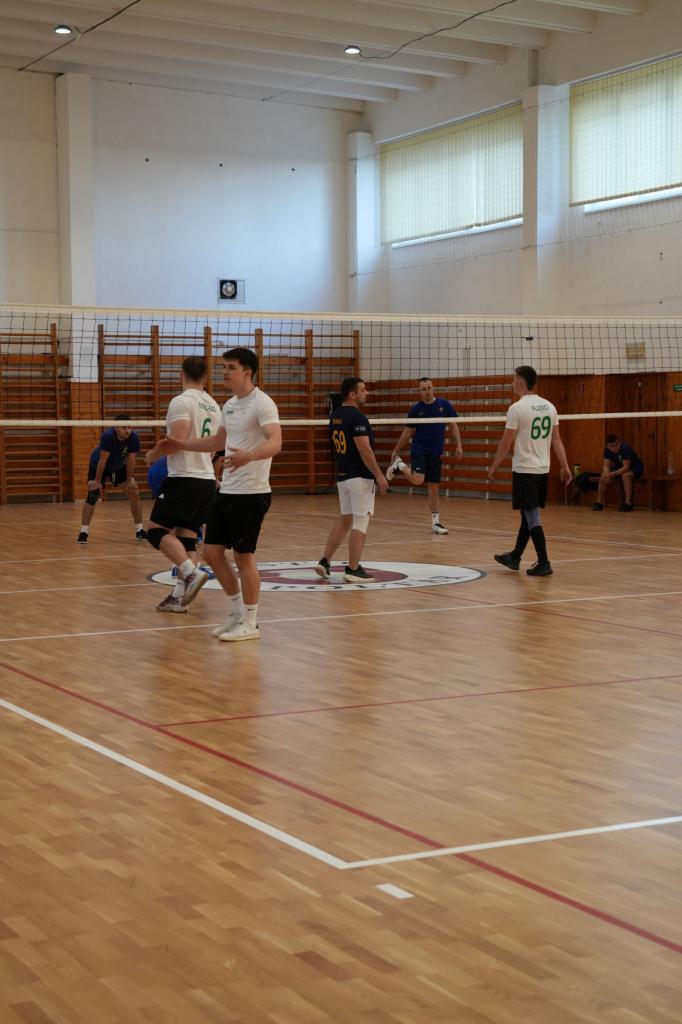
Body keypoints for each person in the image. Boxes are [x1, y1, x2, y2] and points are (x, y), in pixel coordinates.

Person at [156, 347, 281, 641]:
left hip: (252, 492)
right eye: (223, 367)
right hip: (227, 490)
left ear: (247, 372)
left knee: (243, 557)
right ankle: (236, 613)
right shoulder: (230, 405)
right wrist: (181, 444)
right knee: (211, 553)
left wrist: (249, 456)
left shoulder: (263, 403)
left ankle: (250, 621)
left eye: (230, 367)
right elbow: (217, 441)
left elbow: (276, 442)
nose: (224, 372)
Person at [144, 356, 223, 613]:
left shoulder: (182, 401)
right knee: (186, 536)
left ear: (181, 375)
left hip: (184, 478)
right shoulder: (214, 405)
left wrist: (152, 455)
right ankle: (178, 598)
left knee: (155, 530)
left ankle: (190, 572)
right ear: (205, 378)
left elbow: (175, 441)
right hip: (206, 479)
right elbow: (215, 447)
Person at [488, 365, 571, 577]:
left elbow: (506, 443)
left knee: (532, 514)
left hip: (525, 469)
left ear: (521, 383)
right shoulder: (550, 406)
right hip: (542, 469)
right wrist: (564, 465)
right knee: (528, 512)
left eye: (513, 379)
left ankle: (544, 561)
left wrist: (494, 466)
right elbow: (557, 440)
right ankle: (515, 556)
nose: (511, 383)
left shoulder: (517, 408)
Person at [315, 377, 388, 583]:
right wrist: (379, 475)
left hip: (343, 476)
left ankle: (325, 561)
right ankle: (353, 569)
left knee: (345, 519)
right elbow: (364, 450)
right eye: (363, 390)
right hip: (360, 478)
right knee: (360, 522)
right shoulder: (358, 417)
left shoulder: (335, 416)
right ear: (352, 394)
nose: (367, 393)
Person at [385, 377, 463, 534]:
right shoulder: (416, 410)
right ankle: (399, 464)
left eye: (429, 388)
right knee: (418, 480)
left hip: (435, 452)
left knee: (434, 488)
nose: (427, 391)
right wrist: (396, 450)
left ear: (433, 388)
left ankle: (436, 524)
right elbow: (407, 433)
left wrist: (459, 444)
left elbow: (453, 425)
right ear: (419, 392)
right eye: (424, 389)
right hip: (419, 450)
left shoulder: (444, 405)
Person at [77, 413, 146, 544]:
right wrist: (97, 481)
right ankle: (83, 532)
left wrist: (129, 480)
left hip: (118, 466)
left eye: (130, 427)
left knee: (134, 492)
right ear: (116, 427)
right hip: (98, 465)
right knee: (93, 494)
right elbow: (103, 460)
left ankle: (140, 530)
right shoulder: (108, 436)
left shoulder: (133, 438)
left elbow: (131, 460)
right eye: (124, 427)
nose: (127, 430)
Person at [592, 434, 644, 511]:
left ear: (619, 442)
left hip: (635, 467)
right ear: (607, 446)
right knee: (603, 476)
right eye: (611, 446)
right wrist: (606, 474)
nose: (615, 447)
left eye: (616, 444)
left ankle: (628, 503)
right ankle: (599, 503)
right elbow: (606, 465)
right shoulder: (607, 450)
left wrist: (612, 474)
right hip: (620, 467)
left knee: (625, 475)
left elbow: (626, 467)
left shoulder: (625, 448)